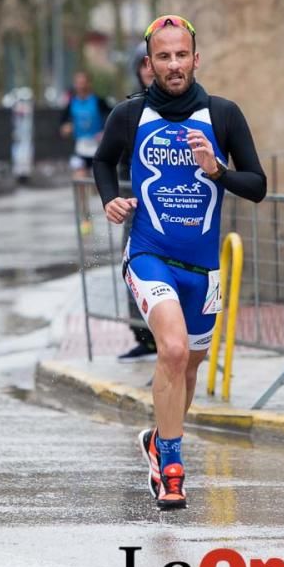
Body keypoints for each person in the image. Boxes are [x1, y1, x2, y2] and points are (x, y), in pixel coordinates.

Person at [93, 16, 267, 509]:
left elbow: (258, 185)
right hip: (150, 254)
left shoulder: (223, 115)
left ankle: (157, 439)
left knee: (187, 368)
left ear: (196, 58)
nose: (173, 65)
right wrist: (110, 199)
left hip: (203, 270)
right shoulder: (128, 116)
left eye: (181, 55)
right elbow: (103, 161)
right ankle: (171, 466)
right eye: (163, 57)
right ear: (149, 64)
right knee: (170, 349)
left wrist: (218, 170)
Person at [117, 44, 158, 363]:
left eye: (150, 63)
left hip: (172, 204)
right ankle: (143, 336)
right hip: (136, 202)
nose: (147, 70)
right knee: (133, 266)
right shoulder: (129, 110)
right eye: (141, 65)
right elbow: (111, 156)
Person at [60, 71, 112, 179]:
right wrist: (66, 128)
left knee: (97, 182)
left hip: (97, 148)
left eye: (83, 83)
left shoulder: (99, 102)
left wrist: (105, 132)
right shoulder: (71, 104)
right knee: (80, 180)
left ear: (89, 84)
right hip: (79, 147)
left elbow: (113, 120)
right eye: (78, 83)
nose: (81, 86)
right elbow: (63, 126)